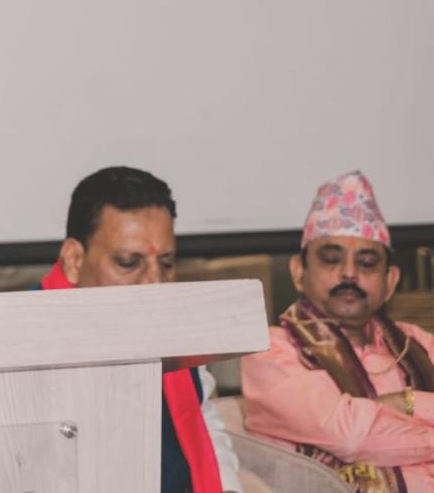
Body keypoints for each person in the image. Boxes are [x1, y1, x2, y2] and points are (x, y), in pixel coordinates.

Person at [37, 166, 243, 493]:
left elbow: (203, 420)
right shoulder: (26, 342)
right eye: (128, 263)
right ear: (74, 260)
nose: (154, 283)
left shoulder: (177, 329)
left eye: (166, 263)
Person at [241, 171, 434, 493]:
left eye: (367, 262)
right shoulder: (271, 350)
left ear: (390, 281)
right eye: (331, 259)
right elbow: (348, 435)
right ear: (298, 272)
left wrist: (394, 408)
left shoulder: (417, 343)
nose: (349, 272)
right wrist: (410, 402)